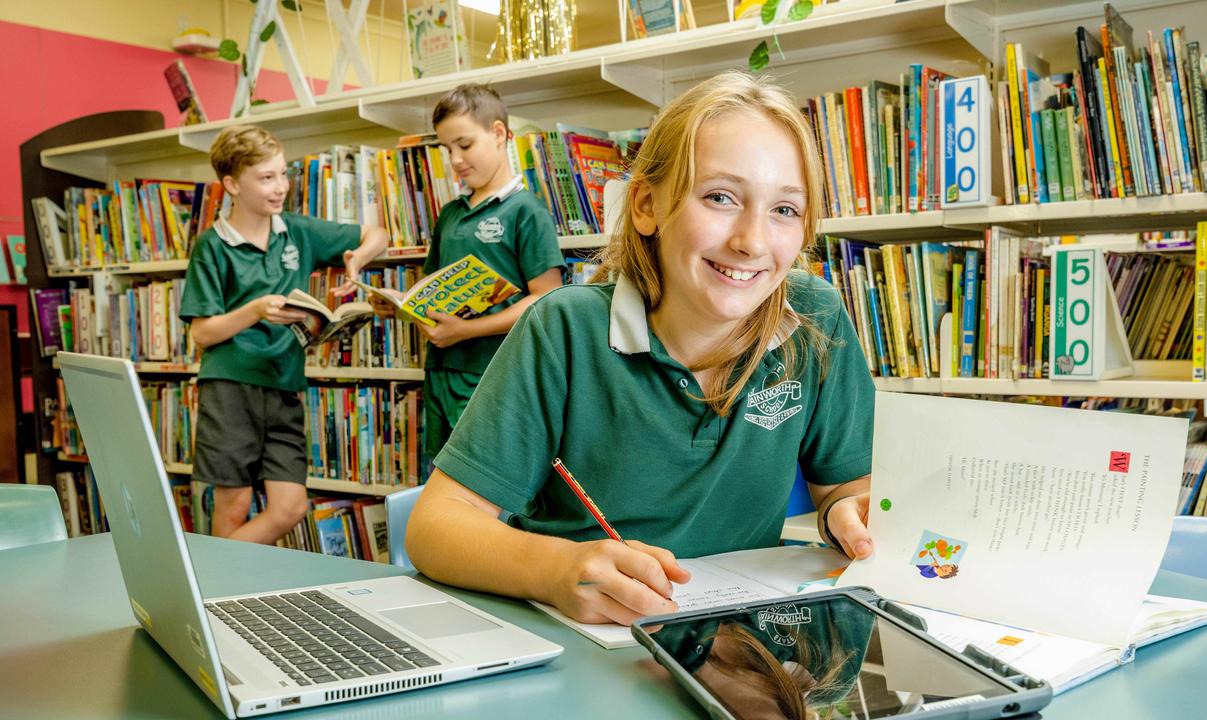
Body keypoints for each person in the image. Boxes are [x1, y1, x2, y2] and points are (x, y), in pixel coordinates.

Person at [405, 71, 877, 626]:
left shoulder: (815, 317)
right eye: (720, 197)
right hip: (587, 644)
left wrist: (845, 509)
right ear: (647, 206)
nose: (751, 241)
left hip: (739, 647)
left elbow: (845, 485)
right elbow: (435, 526)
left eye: (784, 210)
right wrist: (557, 570)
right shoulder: (564, 329)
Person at [180, 125, 388, 544]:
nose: (281, 188)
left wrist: (356, 261)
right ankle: (218, 594)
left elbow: (377, 234)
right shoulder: (212, 246)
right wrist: (255, 310)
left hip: (284, 388)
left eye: (283, 174)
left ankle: (207, 571)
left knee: (290, 508)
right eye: (266, 178)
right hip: (231, 388)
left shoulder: (296, 231)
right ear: (232, 184)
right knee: (234, 507)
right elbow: (203, 333)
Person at [371, 83, 564, 465]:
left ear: (497, 133)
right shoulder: (451, 213)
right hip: (441, 371)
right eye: (447, 149)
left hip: (491, 372)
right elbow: (433, 285)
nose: (456, 159)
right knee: (438, 478)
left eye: (464, 144)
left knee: (479, 480)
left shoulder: (525, 210)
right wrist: (399, 305)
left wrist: (467, 331)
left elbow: (545, 296)